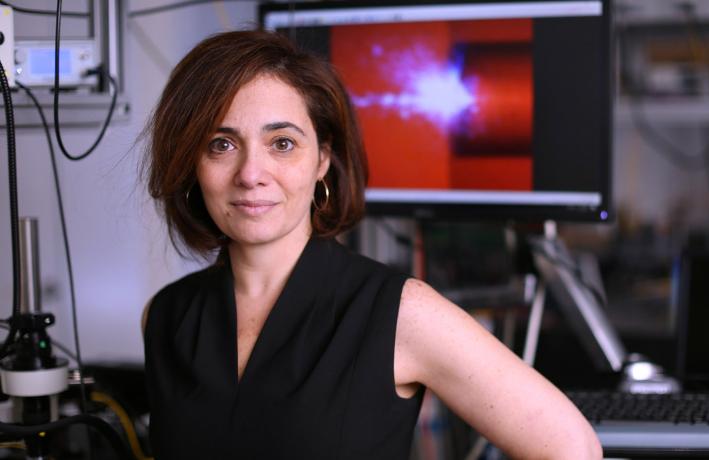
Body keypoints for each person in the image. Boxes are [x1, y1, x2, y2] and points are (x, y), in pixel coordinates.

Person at [142, 30, 601, 459]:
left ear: (323, 159)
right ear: (191, 163)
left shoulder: (403, 313)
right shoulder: (166, 317)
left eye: (282, 143)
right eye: (221, 144)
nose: (250, 173)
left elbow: (571, 448)